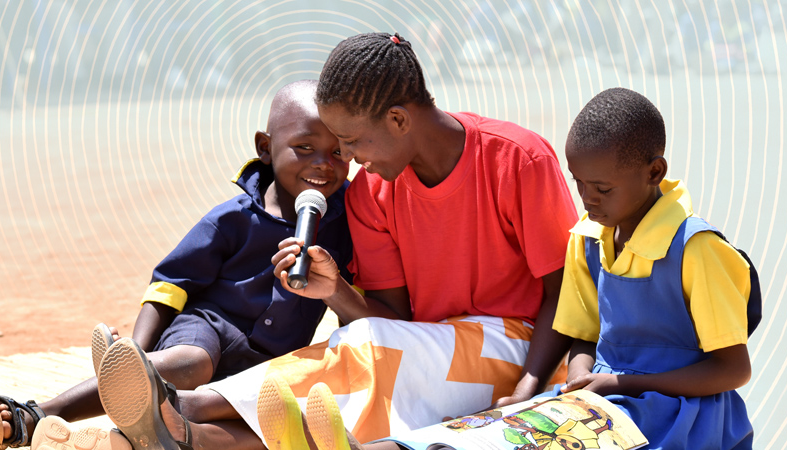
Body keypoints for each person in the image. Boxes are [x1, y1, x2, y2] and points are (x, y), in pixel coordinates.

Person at [46, 32, 580, 450]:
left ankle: (179, 405)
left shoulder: (517, 159)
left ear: (397, 119)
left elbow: (566, 292)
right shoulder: (372, 192)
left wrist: (530, 386)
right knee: (340, 377)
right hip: (419, 349)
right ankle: (174, 434)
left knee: (363, 355)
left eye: (350, 143)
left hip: (519, 346)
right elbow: (388, 316)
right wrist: (334, 291)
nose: (349, 160)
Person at [306, 87, 757, 450]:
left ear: (654, 171)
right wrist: (561, 381)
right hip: (607, 400)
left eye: (602, 187)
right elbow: (583, 332)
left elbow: (733, 371)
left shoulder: (697, 249)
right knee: (480, 430)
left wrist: (619, 381)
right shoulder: (589, 237)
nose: (589, 200)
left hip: (682, 419)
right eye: (580, 186)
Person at [0, 79, 354, 450]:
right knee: (194, 363)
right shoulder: (232, 219)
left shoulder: (346, 229)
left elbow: (358, 310)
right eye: (304, 148)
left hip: (268, 361)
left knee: (231, 412)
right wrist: (131, 353)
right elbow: (170, 285)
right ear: (265, 148)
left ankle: (103, 440)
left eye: (338, 153)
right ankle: (40, 413)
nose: (323, 164)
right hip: (209, 329)